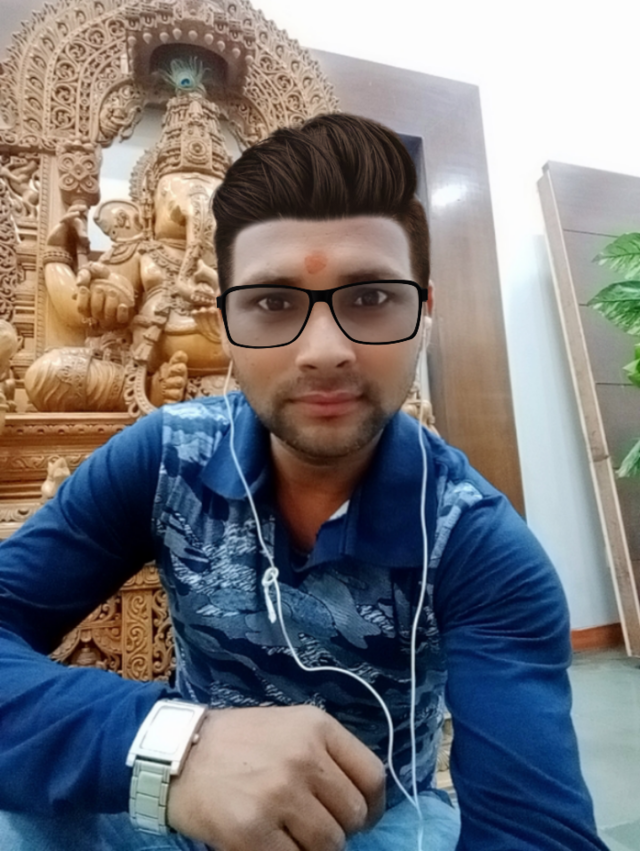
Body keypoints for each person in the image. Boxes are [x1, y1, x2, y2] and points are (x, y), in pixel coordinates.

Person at [0, 113, 608, 851]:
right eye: (273, 303)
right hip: (171, 799)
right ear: (224, 323)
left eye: (371, 298)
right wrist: (173, 744)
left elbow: (536, 830)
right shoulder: (163, 457)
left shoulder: (475, 541)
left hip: (369, 827)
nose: (324, 350)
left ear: (424, 313)